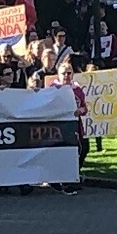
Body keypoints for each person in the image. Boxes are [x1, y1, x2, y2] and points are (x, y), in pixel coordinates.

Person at [51, 63, 89, 191]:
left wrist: (81, 110)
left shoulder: (77, 89)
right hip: (58, 127)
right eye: (64, 73)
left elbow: (85, 108)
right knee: (62, 152)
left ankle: (74, 174)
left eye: (69, 73)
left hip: (75, 126)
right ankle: (62, 178)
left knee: (83, 148)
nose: (66, 76)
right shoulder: (53, 88)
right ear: (58, 74)